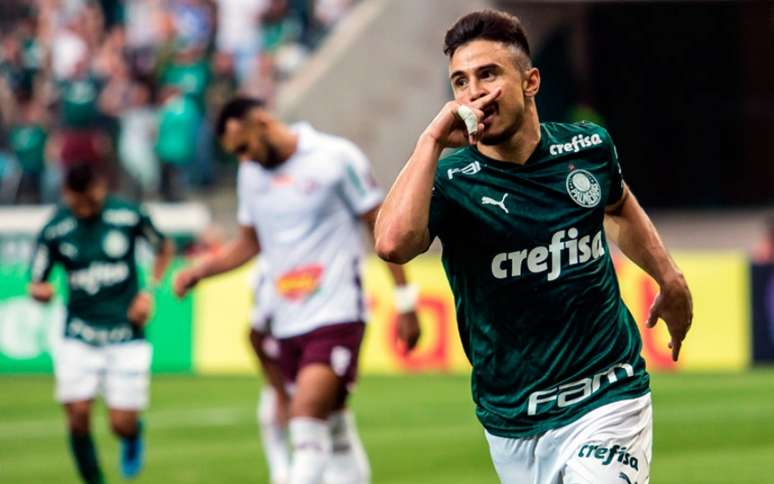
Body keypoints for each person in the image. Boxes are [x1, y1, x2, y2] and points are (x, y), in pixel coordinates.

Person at [374, 10, 693, 484]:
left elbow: (619, 206)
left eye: (488, 74)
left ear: (531, 82)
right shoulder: (451, 181)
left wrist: (669, 276)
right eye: (460, 81)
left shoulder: (587, 147)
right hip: (511, 418)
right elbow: (393, 244)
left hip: (608, 394)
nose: (474, 92)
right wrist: (431, 140)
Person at [173, 97, 421, 484]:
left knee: (304, 421)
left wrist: (405, 303)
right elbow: (249, 242)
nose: (244, 159)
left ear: (261, 122)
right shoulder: (250, 174)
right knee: (335, 427)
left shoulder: (335, 157)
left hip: (337, 314)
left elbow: (381, 227)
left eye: (243, 147)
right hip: (286, 322)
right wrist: (201, 271)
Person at [28, 163, 174, 483]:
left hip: (126, 332)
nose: (86, 208)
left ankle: (132, 434)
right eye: (79, 203)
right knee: (78, 415)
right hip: (78, 332)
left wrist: (149, 292)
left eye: (92, 201)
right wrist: (42, 292)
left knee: (120, 424)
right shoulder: (55, 227)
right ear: (67, 195)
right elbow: (35, 281)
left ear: (101, 188)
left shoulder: (128, 214)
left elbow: (164, 248)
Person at [248, 259, 291, 484]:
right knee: (270, 415)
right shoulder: (265, 268)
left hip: (309, 355)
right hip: (283, 360)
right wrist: (279, 392)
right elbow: (254, 334)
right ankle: (281, 475)